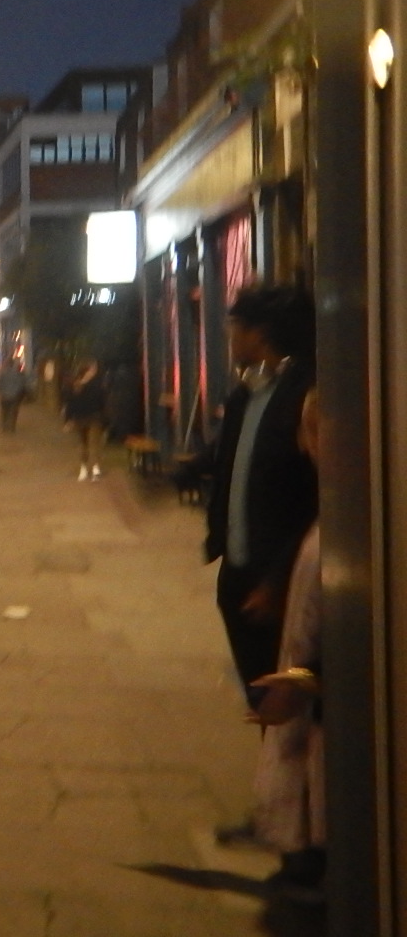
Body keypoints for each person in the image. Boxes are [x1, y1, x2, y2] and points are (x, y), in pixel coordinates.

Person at [200, 284, 317, 706]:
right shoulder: (247, 394)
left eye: (235, 327)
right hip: (237, 570)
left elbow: (311, 501)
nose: (230, 336)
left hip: (276, 581)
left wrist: (277, 581)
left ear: (260, 333)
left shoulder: (304, 398)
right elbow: (229, 458)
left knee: (287, 700)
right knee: (261, 697)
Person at [248, 388, 324, 902]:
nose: (301, 443)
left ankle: (312, 869)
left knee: (314, 773)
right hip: (307, 676)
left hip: (316, 689)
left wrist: (298, 681)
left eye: (308, 430)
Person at [62, 360, 107, 480]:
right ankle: (90, 468)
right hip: (89, 418)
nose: (94, 371)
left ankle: (88, 469)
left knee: (87, 443)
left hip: (85, 418)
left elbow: (70, 404)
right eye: (92, 369)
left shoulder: (77, 385)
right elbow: (102, 402)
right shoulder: (95, 385)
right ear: (87, 371)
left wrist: (68, 419)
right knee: (89, 443)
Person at [0, 359, 28, 434]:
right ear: (13, 365)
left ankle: (4, 426)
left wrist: (0, 392)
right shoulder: (18, 374)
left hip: (4, 396)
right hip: (15, 396)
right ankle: (11, 427)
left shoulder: (3, 374)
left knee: (5, 411)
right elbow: (22, 385)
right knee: (13, 412)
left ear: (6, 365)